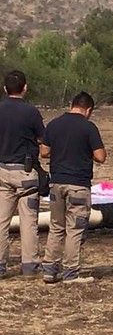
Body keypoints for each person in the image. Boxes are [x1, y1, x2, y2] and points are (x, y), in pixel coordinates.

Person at [40, 91, 106, 284]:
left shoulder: (54, 124)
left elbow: (44, 152)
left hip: (56, 183)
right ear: (88, 110)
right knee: (75, 229)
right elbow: (101, 156)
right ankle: (71, 272)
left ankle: (49, 270)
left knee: (56, 227)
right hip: (78, 185)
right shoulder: (88, 128)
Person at [0, 70, 45, 277]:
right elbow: (42, 140)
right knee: (28, 222)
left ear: (5, 89)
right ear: (25, 88)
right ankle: (30, 266)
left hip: (2, 171)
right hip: (25, 173)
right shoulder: (31, 112)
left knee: (2, 222)